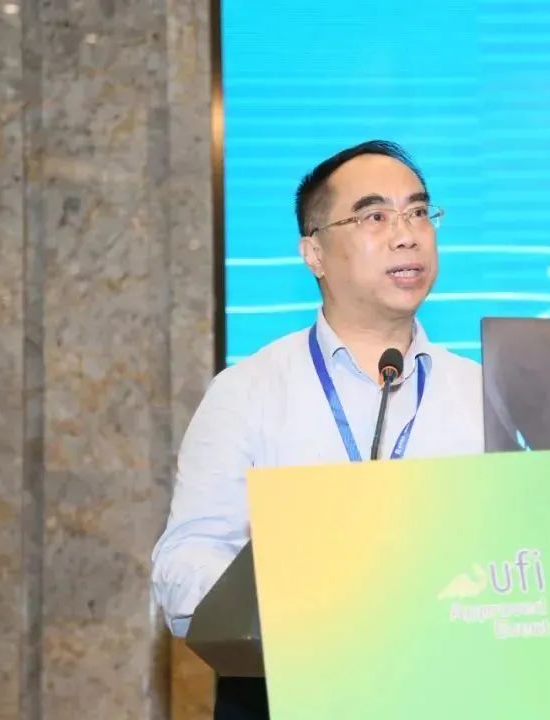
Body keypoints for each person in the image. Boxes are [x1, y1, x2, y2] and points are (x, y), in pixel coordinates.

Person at [151, 140, 484, 719]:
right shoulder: (248, 391)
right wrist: (298, 599)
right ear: (314, 253)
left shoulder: (482, 391)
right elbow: (183, 564)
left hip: (455, 693)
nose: (406, 235)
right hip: (289, 694)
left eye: (418, 212)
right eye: (374, 216)